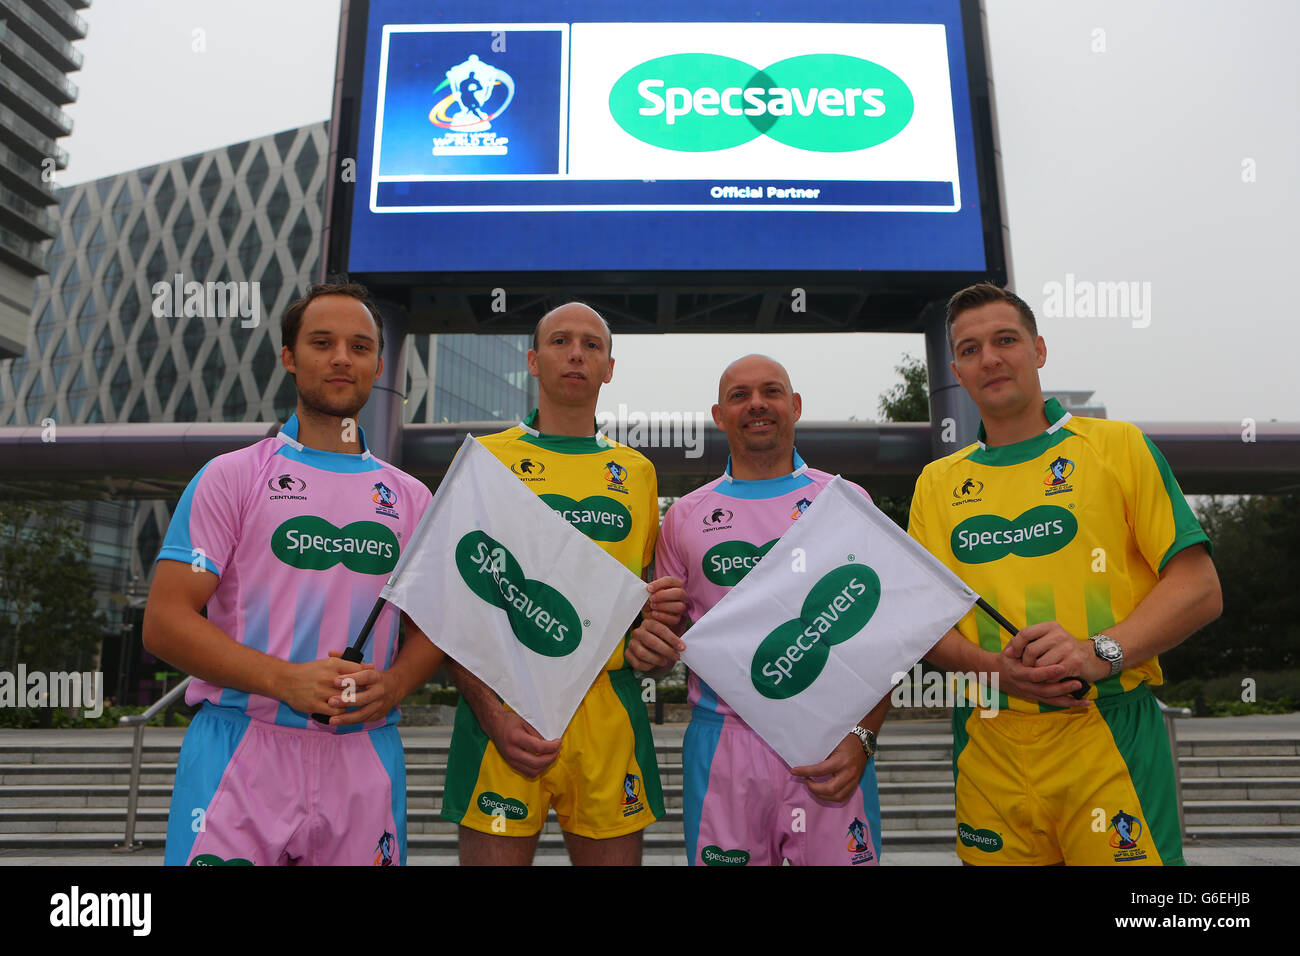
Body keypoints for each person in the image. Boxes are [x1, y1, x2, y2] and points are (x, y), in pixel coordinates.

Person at [908, 282, 1222, 866]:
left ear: (1039, 350)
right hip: (988, 740)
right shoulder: (937, 483)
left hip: (1105, 731)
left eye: (1006, 340)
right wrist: (996, 671)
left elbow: (1199, 587)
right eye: (971, 349)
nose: (991, 358)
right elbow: (925, 628)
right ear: (956, 369)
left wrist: (1096, 651)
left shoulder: (1116, 445)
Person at [144, 281, 444, 866]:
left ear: (379, 364)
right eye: (321, 342)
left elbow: (434, 629)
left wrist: (399, 684)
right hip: (240, 751)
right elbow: (164, 621)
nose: (340, 358)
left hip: (364, 755)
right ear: (289, 357)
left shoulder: (411, 498)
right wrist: (286, 681)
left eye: (359, 347)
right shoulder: (231, 476)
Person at [439, 301, 684, 866]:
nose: (576, 353)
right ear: (532, 360)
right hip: (504, 712)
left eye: (592, 345)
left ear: (609, 368)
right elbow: (444, 607)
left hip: (608, 713)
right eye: (560, 341)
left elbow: (645, 611)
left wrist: (658, 642)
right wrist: (492, 716)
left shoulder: (638, 472)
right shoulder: (483, 459)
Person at [627, 354, 889, 866]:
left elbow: (888, 637)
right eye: (739, 396)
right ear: (719, 415)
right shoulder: (685, 514)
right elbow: (665, 647)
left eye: (770, 391)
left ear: (794, 406)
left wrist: (865, 735)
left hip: (830, 739)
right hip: (724, 742)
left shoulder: (847, 499)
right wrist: (648, 648)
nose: (756, 405)